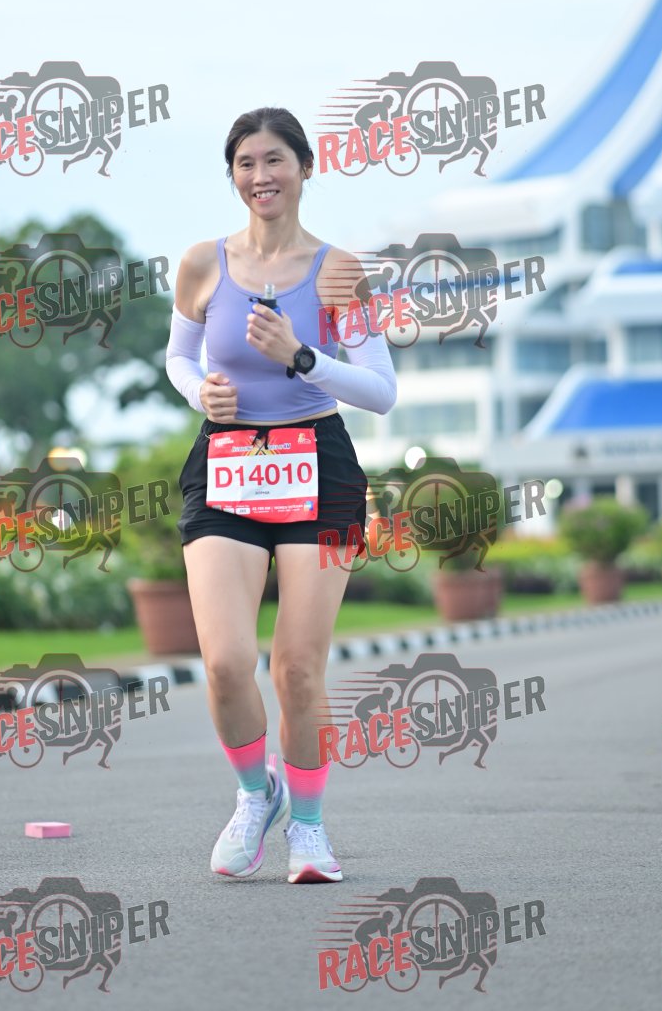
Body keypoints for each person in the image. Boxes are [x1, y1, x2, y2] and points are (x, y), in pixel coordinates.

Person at [165, 107, 397, 883]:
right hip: (227, 464)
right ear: (232, 176)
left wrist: (303, 358)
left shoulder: (339, 271)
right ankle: (253, 795)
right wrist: (200, 393)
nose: (260, 177)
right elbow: (178, 357)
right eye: (245, 163)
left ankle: (309, 828)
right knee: (228, 662)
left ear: (304, 168)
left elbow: (382, 391)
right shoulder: (203, 264)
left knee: (297, 666)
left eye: (274, 161)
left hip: (318, 469)